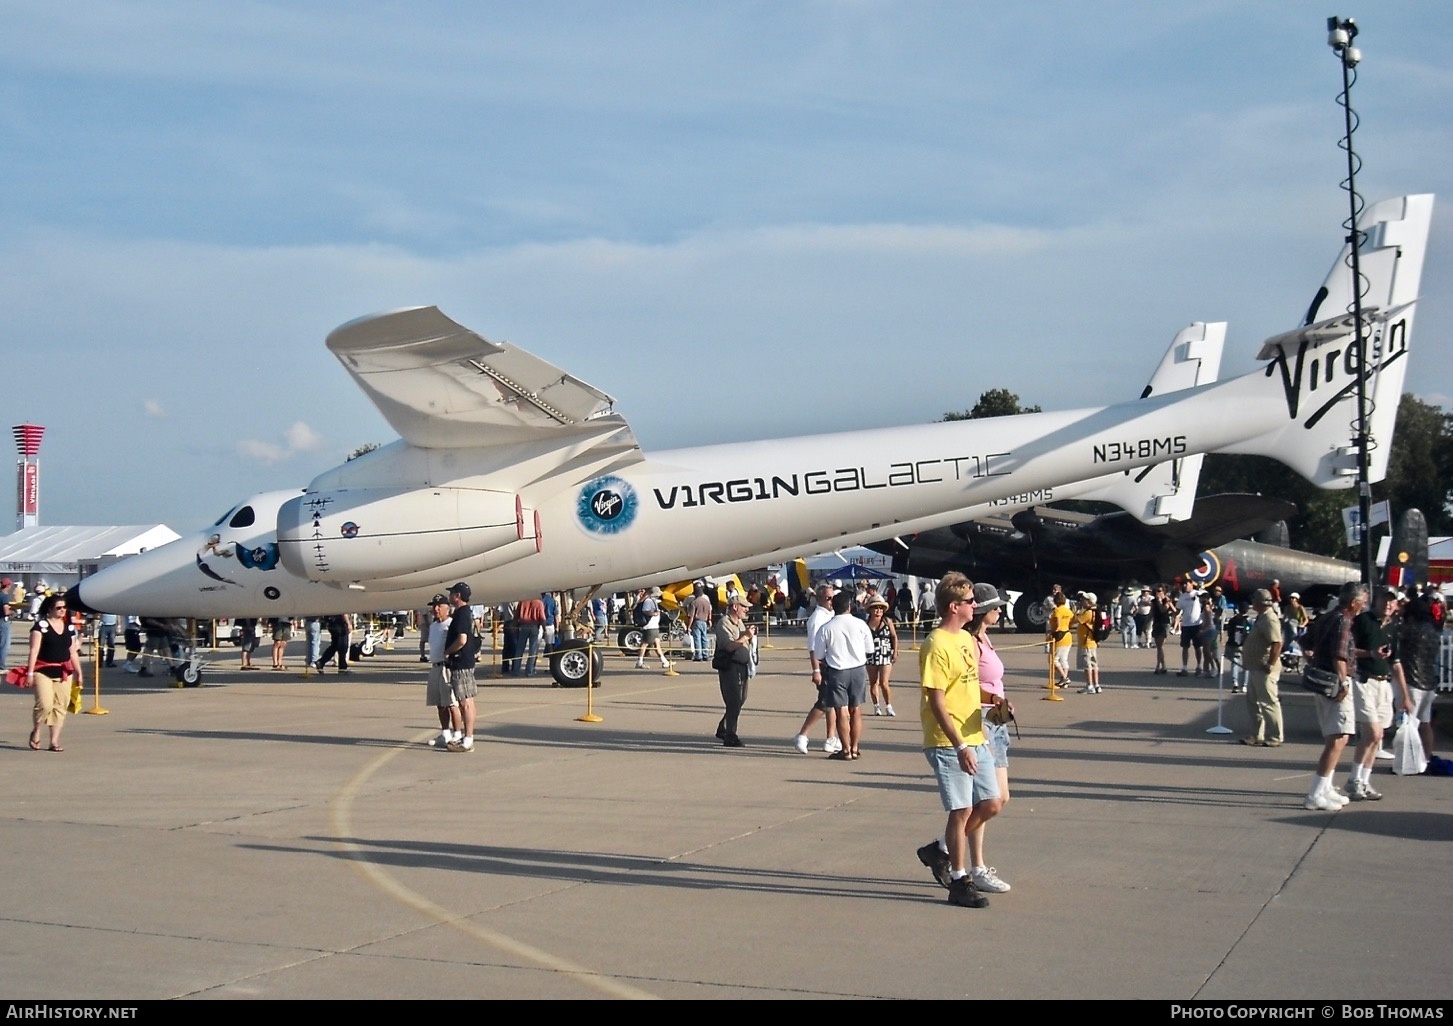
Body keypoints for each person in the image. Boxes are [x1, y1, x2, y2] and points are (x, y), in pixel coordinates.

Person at [913, 572, 998, 909]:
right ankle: (959, 880)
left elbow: (966, 685)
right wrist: (960, 745)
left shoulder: (965, 639)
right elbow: (937, 699)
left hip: (975, 732)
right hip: (948, 740)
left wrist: (993, 699)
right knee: (961, 809)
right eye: (969, 601)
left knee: (991, 802)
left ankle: (940, 850)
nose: (974, 606)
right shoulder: (936, 644)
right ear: (954, 607)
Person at [1302, 582, 1366, 811]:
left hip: (1322, 681)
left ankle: (1326, 786)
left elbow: (1304, 641)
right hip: (1335, 684)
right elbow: (1340, 656)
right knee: (1338, 738)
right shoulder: (1344, 621)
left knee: (1337, 737)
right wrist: (1344, 682)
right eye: (1362, 602)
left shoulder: (1327, 617)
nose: (1363, 606)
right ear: (1353, 602)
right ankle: (1316, 792)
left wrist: (1312, 659)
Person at [967, 582, 1012, 895]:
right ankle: (951, 850)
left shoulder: (985, 637)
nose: (1000, 610)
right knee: (988, 801)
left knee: (1000, 798)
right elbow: (965, 686)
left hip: (996, 721)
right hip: (982, 720)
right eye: (996, 607)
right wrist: (993, 699)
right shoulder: (970, 641)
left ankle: (960, 856)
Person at [1346, 588, 1406, 801]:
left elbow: (1396, 663)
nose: (1388, 605)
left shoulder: (1392, 627)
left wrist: (1405, 696)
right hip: (1364, 680)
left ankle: (1364, 780)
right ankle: (1353, 780)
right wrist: (1370, 654)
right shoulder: (1363, 621)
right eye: (1385, 600)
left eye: (1392, 602)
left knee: (1378, 736)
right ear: (1376, 600)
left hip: (1383, 684)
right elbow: (1347, 649)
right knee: (1371, 733)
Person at [814, 591, 873, 760]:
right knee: (856, 710)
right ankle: (855, 747)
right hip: (858, 669)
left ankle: (845, 749)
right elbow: (869, 649)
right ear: (849, 606)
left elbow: (819, 654)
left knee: (841, 711)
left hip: (837, 670)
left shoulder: (826, 627)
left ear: (833, 607)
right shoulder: (861, 624)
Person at [26, 593, 83, 752]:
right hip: (43, 670)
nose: (62, 610)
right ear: (49, 609)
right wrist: (29, 673)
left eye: (64, 608)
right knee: (45, 704)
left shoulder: (69, 628)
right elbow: (34, 650)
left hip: (64, 671)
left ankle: (54, 741)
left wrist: (79, 672)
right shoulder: (40, 627)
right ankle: (36, 731)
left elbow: (72, 652)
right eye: (58, 608)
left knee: (60, 706)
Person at [791, 584, 842, 754]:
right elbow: (812, 647)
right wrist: (816, 670)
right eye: (828, 598)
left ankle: (830, 738)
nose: (831, 601)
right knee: (825, 702)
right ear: (819, 599)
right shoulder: (817, 618)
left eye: (832, 598)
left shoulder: (832, 614)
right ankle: (803, 735)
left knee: (833, 704)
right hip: (824, 664)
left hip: (834, 662)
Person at [1398, 591, 1443, 758]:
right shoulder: (1433, 632)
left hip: (1411, 681)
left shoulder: (1408, 630)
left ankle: (1407, 759)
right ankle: (1427, 756)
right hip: (1429, 681)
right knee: (1425, 724)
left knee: (1408, 724)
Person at [1239, 589, 1284, 747]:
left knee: (1268, 702)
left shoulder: (1270, 619)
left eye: (1255, 601)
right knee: (1253, 702)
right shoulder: (1261, 617)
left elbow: (1277, 643)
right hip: (1255, 666)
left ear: (1260, 603)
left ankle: (1276, 736)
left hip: (1264, 668)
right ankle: (1257, 734)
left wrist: (1270, 664)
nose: (1253, 603)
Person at [712, 595, 755, 747]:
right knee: (734, 700)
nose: (747, 609)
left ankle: (723, 727)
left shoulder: (740, 622)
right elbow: (729, 646)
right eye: (744, 606)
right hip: (730, 666)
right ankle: (730, 734)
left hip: (742, 666)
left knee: (741, 699)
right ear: (735, 607)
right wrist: (746, 637)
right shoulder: (724, 623)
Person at [423, 594, 463, 749]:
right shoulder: (433, 626)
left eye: (440, 606)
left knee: (451, 703)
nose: (436, 609)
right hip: (435, 666)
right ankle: (445, 733)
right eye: (434, 606)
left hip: (447, 667)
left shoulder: (451, 625)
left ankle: (457, 733)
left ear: (448, 608)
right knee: (440, 704)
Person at [444, 582, 479, 752]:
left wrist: (448, 651)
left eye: (452, 593)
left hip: (460, 662)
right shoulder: (467, 613)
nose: (450, 596)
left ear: (457, 596)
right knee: (469, 700)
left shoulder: (461, 614)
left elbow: (462, 639)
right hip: (467, 661)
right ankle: (468, 737)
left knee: (464, 702)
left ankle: (468, 738)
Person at [865, 597, 898, 716]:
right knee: (873, 682)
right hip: (870, 655)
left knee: (884, 683)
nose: (878, 610)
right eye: (875, 607)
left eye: (880, 608)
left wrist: (895, 651)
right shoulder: (866, 623)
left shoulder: (887, 621)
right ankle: (876, 706)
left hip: (885, 654)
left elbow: (894, 636)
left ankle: (888, 706)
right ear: (870, 610)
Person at [633, 587, 673, 672]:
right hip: (650, 626)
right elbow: (645, 611)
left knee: (656, 644)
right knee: (645, 644)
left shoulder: (651, 600)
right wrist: (655, 613)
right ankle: (639, 662)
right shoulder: (649, 601)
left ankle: (664, 661)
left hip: (654, 626)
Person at [1073, 592, 1102, 694]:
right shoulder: (1095, 611)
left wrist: (1076, 610)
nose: (1082, 601)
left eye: (1084, 599)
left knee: (1087, 666)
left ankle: (1089, 685)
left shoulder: (1087, 613)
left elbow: (1075, 620)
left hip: (1086, 642)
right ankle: (1097, 685)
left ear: (1089, 602)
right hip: (1092, 642)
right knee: (1094, 665)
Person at [1176, 580, 1204, 676]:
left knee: (1197, 647)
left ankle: (1199, 666)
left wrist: (1201, 591)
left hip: (1196, 624)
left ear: (1191, 585)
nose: (1185, 586)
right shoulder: (1182, 597)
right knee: (1185, 647)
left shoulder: (1197, 594)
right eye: (1184, 584)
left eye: (1187, 584)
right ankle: (1184, 668)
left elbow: (1205, 597)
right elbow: (1178, 609)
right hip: (1185, 625)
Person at [1045, 592, 1072, 688]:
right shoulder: (1068, 611)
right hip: (1067, 634)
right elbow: (1073, 621)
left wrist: (1053, 630)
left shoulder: (1057, 611)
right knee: (1064, 659)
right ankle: (1063, 680)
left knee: (1053, 659)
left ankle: (1065, 678)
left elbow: (1057, 622)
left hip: (1059, 635)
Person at [688, 584, 714, 662]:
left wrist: (689, 626)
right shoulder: (707, 602)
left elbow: (691, 616)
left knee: (697, 639)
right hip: (705, 622)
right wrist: (710, 620)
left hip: (697, 621)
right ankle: (705, 654)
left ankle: (698, 656)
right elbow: (710, 612)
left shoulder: (694, 602)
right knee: (704, 638)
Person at [1150, 586, 1172, 674]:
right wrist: (1146, 624)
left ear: (1164, 592)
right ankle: (1163, 666)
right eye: (1155, 591)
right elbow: (1151, 612)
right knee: (1159, 647)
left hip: (1164, 623)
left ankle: (1158, 666)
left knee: (1160, 646)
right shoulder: (1153, 601)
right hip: (1156, 623)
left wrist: (1159, 601)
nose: (1157, 593)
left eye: (1159, 591)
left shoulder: (1166, 600)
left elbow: (1163, 610)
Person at [0, 577, 12, 672]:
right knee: (4, 644)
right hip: (2, 621)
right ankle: (2, 665)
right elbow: (6, 611)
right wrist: (13, 612)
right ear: (8, 585)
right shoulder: (4, 596)